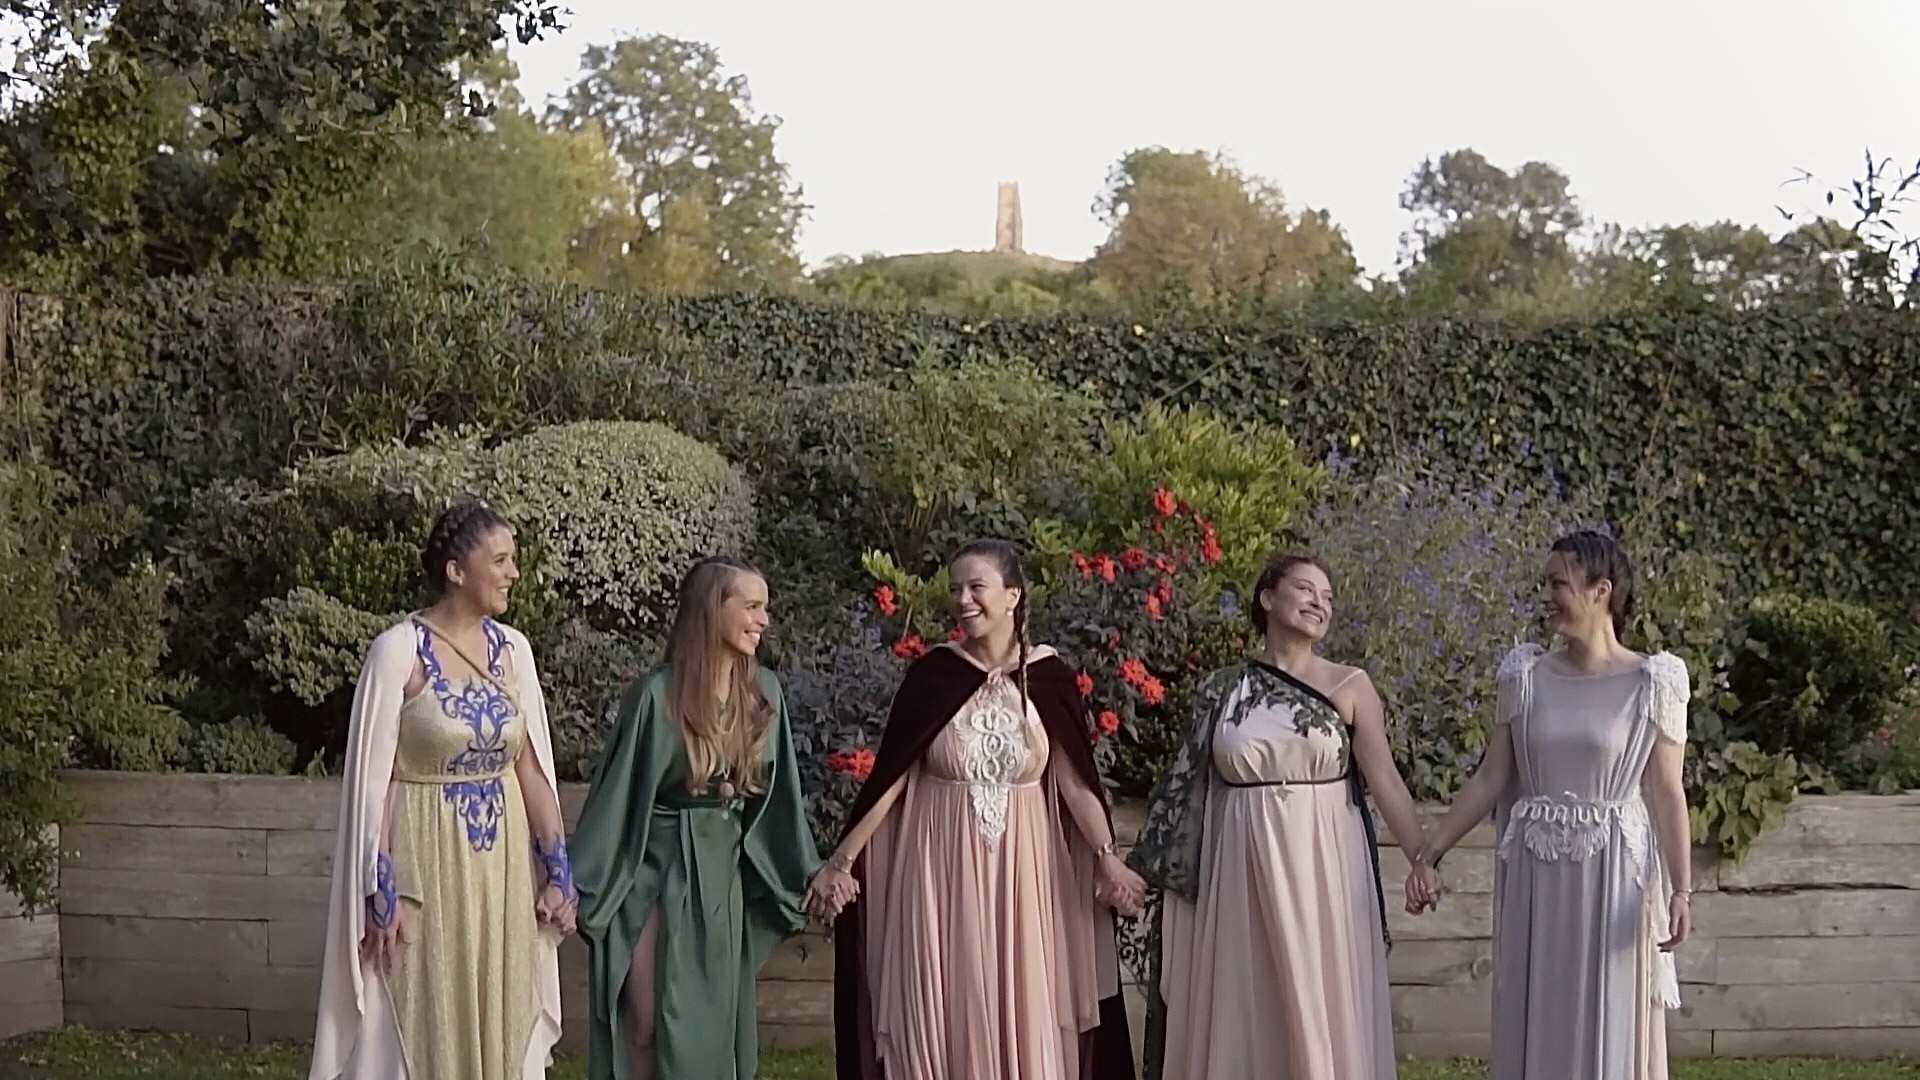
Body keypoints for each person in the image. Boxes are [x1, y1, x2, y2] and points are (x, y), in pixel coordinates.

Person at [815, 538, 1142, 1080]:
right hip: (939, 869)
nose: (963, 600)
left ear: (1013, 596)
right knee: (945, 1003)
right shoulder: (934, 676)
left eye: (976, 587)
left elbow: (1074, 780)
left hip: (1025, 874)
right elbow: (891, 779)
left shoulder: (1048, 677)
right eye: (955, 589)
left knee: (1026, 1001)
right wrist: (842, 861)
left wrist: (1106, 855)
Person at [1126, 553, 1438, 1080]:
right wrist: (1142, 873)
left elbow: (1384, 778)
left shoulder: (1350, 685)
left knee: (1315, 988)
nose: (1320, 603)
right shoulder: (1223, 689)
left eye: (1328, 597)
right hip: (1240, 868)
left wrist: (1421, 858)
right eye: (1306, 589)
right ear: (1268, 598)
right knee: (1246, 993)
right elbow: (1185, 792)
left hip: (1321, 863)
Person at [1415, 531, 1692, 1080]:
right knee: (1539, 1009)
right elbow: (1492, 776)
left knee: (1608, 1016)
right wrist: (1431, 852)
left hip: (1614, 878)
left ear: (1601, 591)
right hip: (1536, 879)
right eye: (1544, 583)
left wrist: (1682, 891)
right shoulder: (1524, 676)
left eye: (1558, 583)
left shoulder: (1655, 682)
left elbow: (1667, 792)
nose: (1545, 596)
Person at [312, 498, 573, 1080]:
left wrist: (559, 871)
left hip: (501, 871)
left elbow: (532, 768)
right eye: (500, 560)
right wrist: (381, 890)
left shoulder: (515, 652)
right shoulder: (398, 651)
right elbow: (375, 783)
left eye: (513, 560)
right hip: (423, 867)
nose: (513, 573)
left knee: (499, 1001)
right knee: (419, 1004)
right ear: (456, 571)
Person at [571, 556, 820, 1080]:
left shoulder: (764, 693)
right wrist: (575, 880)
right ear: (712, 609)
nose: (763, 620)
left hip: (719, 876)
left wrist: (807, 871)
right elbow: (615, 797)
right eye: (751, 606)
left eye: (765, 608)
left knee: (707, 1027)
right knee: (643, 1023)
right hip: (649, 873)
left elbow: (779, 801)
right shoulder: (655, 696)